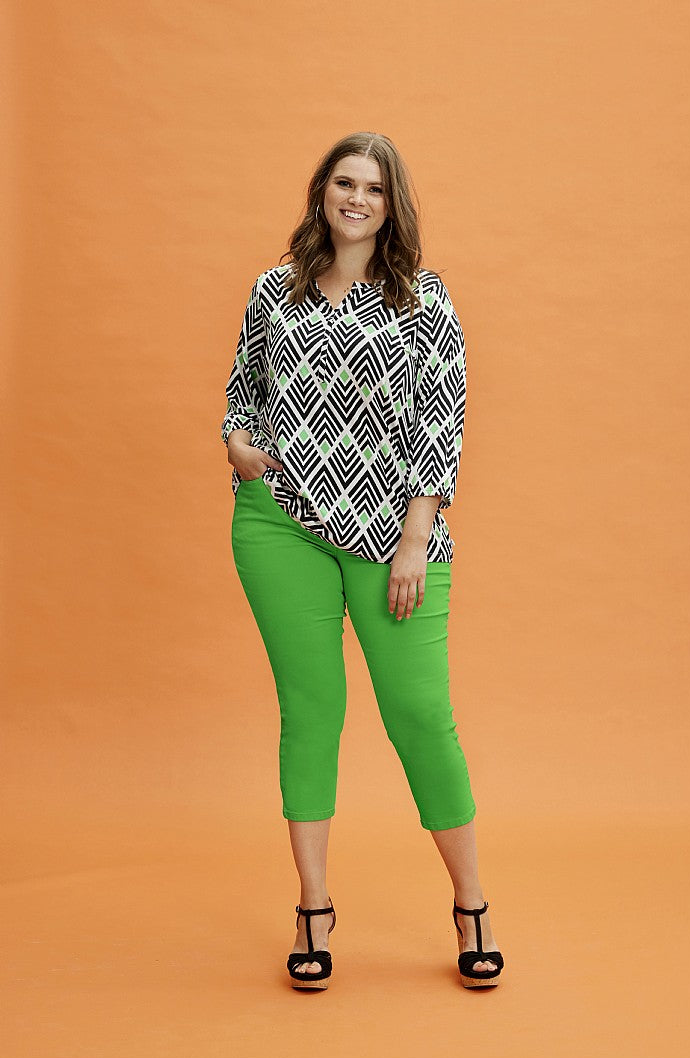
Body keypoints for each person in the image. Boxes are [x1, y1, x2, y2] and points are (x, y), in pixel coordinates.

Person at [221, 131, 504, 991]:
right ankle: (313, 908)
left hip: (392, 535)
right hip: (281, 525)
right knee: (310, 712)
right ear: (323, 192)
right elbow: (243, 389)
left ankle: (471, 904)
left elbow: (441, 421)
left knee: (419, 714)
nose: (357, 198)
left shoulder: (423, 300)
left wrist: (417, 539)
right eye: (345, 182)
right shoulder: (275, 291)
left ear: (392, 205)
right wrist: (239, 445)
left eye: (374, 188)